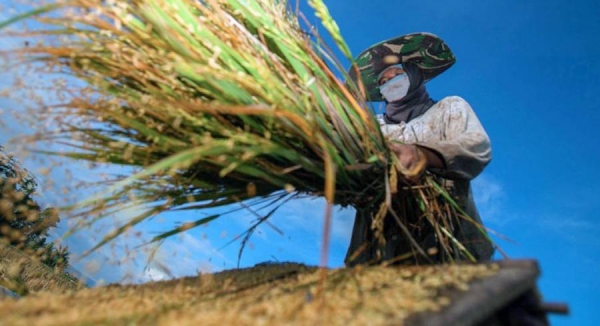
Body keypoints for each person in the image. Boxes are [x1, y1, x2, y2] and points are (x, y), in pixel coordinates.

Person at [345, 32, 494, 266]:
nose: (390, 83)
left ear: (414, 76)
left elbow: (476, 147)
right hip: (378, 253)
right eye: (383, 82)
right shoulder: (373, 129)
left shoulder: (448, 108)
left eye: (397, 75)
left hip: (450, 246)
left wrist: (424, 155)